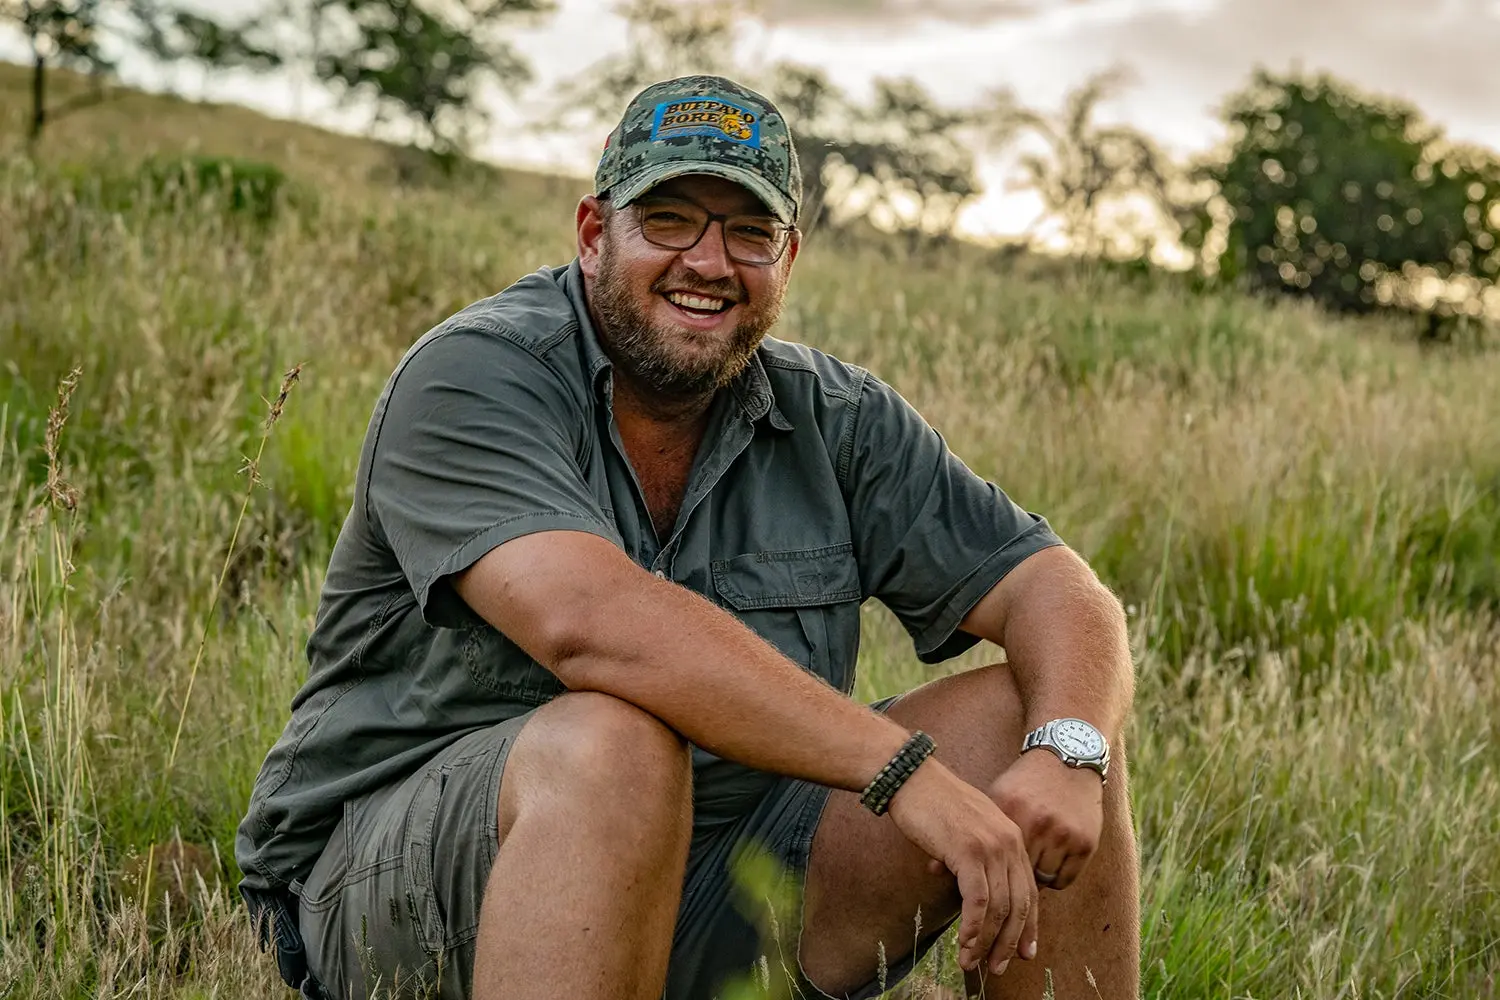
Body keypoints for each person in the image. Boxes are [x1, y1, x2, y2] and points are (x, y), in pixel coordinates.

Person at [236, 75, 1140, 1000]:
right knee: (611, 745)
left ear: (789, 259)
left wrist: (1069, 748)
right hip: (399, 892)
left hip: (711, 891)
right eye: (668, 220)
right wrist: (902, 772)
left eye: (749, 232)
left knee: (1037, 720)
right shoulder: (473, 375)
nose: (709, 263)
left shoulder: (835, 415)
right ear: (594, 234)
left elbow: (1056, 590)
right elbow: (586, 621)